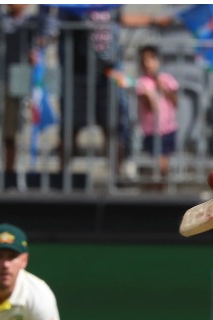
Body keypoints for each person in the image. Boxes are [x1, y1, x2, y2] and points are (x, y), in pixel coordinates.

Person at [51, 5, 172, 179]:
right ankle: (62, 177)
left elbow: (120, 18)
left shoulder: (110, 6)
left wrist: (151, 20)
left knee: (112, 126)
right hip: (78, 71)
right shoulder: (74, 6)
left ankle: (117, 177)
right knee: (71, 127)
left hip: (106, 72)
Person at [0, 5, 53, 172]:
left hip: (17, 81)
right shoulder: (2, 19)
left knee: (10, 133)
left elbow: (47, 21)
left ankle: (8, 172)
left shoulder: (32, 21)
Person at [135, 44, 178, 185]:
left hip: (168, 128)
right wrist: (150, 95)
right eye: (144, 60)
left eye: (151, 59)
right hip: (152, 131)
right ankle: (156, 186)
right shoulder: (142, 83)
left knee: (164, 162)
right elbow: (151, 107)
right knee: (157, 162)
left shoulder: (167, 79)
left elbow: (175, 101)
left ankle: (162, 186)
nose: (148, 63)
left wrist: (163, 87)